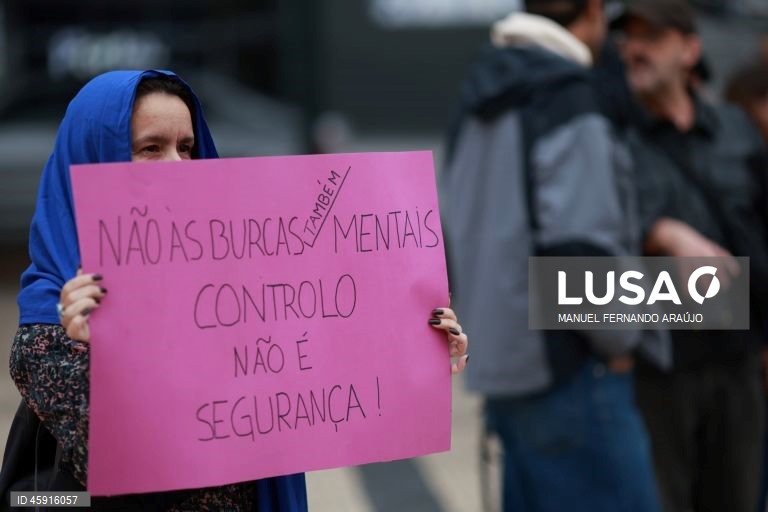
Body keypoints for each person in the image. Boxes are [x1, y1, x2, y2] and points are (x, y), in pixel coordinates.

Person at [2, 70, 469, 511]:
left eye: (186, 148)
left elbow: (304, 382)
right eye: (149, 148)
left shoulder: (241, 296)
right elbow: (138, 479)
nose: (176, 166)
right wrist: (102, 356)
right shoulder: (51, 329)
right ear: (91, 160)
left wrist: (413, 357)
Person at [441, 0, 662, 510]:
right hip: (572, 375)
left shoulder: (476, 98)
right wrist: (621, 340)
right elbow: (579, 250)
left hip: (501, 373)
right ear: (593, 11)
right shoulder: (567, 96)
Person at [614, 1, 768, 511]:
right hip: (660, 368)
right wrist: (662, 233)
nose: (635, 49)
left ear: (690, 49)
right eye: (629, 38)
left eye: (651, 37)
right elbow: (592, 239)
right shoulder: (612, 139)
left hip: (741, 362)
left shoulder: (737, 131)